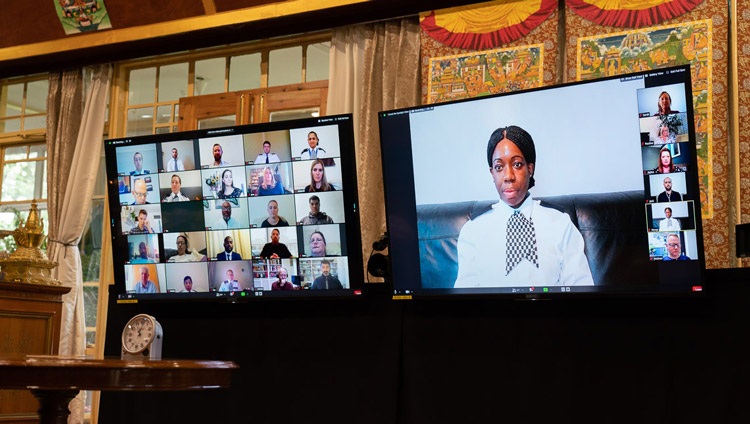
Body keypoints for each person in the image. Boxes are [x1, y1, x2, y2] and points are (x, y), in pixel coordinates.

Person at [454, 125, 594, 288]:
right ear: (492, 173)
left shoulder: (560, 224)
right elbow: (465, 301)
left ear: (530, 168)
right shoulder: (473, 231)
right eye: (499, 167)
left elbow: (581, 288)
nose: (508, 176)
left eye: (517, 164)